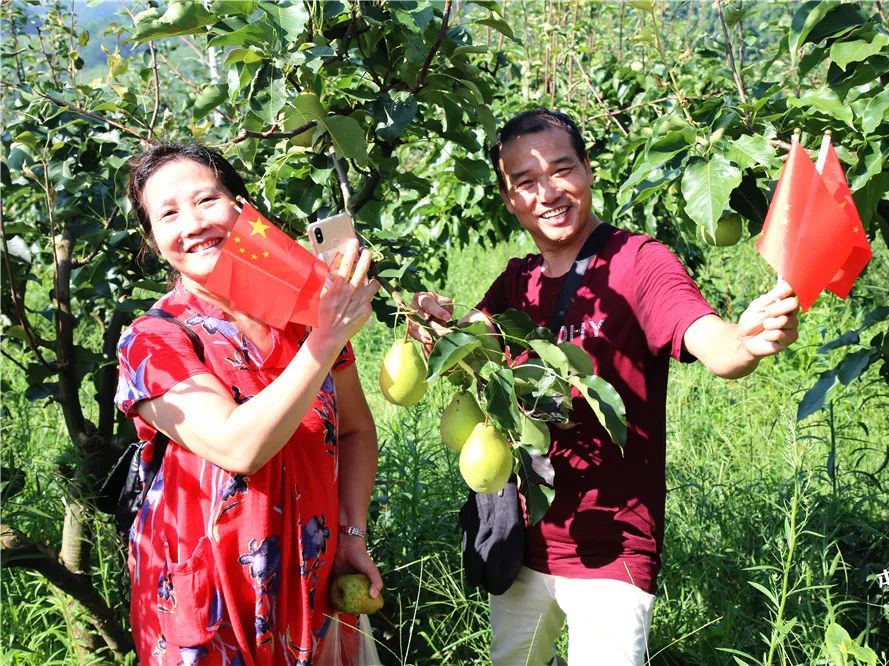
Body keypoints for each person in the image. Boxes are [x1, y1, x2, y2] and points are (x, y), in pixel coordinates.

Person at [409, 109, 800, 666]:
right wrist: (428, 328)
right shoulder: (514, 284)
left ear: (589, 171)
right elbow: (459, 357)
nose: (548, 192)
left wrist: (747, 339)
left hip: (613, 548)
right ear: (509, 199)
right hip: (521, 543)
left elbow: (714, 343)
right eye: (526, 182)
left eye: (562, 170)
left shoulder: (639, 262)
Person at [115, 143, 382, 665]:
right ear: (153, 240)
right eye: (168, 214)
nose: (192, 223)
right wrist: (323, 343)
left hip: (314, 582)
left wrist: (352, 533)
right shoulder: (153, 341)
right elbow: (239, 447)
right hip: (213, 602)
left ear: (240, 208)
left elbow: (354, 430)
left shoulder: (303, 313)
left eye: (206, 201)